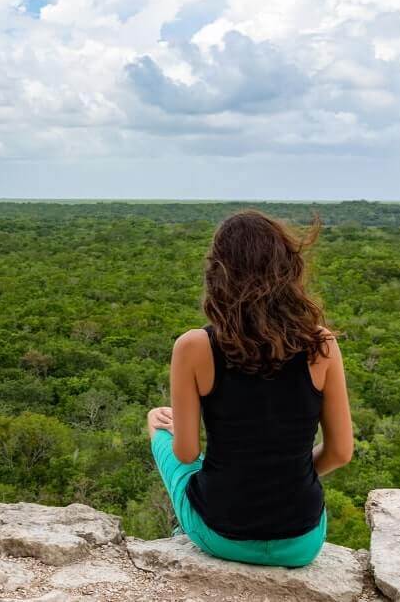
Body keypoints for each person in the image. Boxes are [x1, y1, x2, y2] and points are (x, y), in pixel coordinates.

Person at [147, 208, 354, 568]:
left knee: (155, 419)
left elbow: (186, 452)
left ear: (218, 273)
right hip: (302, 542)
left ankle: (185, 533)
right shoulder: (321, 345)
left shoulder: (194, 346)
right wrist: (284, 471)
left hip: (221, 534)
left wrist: (176, 427)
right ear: (288, 270)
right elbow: (340, 453)